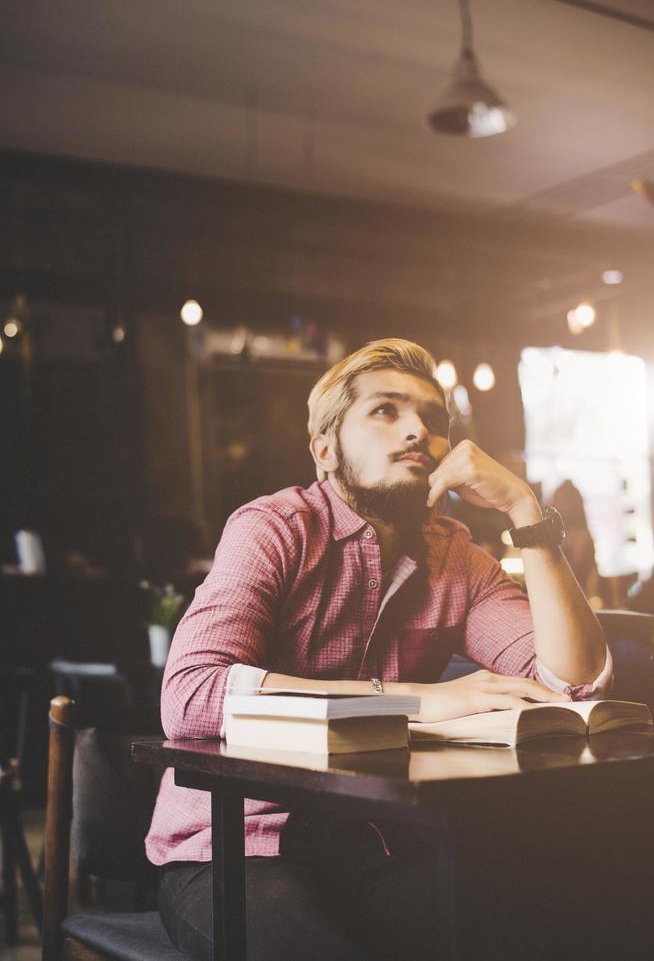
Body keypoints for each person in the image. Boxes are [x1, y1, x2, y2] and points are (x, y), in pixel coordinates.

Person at [146, 338, 611, 960]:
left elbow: (572, 685)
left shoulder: (457, 558)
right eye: (385, 411)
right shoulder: (273, 528)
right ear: (325, 451)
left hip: (380, 839)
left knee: (537, 929)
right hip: (237, 843)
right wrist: (415, 700)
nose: (419, 429)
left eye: (433, 418)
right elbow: (192, 696)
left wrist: (526, 513)